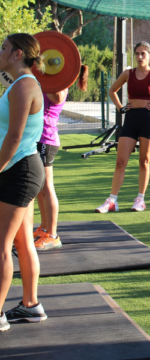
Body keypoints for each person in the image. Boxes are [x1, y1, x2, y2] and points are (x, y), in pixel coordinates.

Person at [95, 41, 150, 213]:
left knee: (144, 161)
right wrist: (120, 107)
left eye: (143, 53)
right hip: (131, 119)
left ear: (149, 56)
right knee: (120, 161)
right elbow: (112, 90)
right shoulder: (128, 74)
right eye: (137, 53)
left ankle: (140, 199)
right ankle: (112, 200)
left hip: (149, 120)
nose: (140, 57)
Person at [0, 33, 47, 332]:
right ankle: (31, 305)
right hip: (23, 169)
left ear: (17, 54)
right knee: (22, 241)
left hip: (18, 171)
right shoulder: (20, 83)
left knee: (1, 245)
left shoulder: (24, 86)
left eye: (3, 47)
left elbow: (14, 137)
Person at [33, 66, 89, 250]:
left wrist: (43, 77)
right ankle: (44, 227)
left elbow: (56, 97)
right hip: (38, 138)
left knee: (47, 188)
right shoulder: (48, 82)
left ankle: (53, 235)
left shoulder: (59, 86)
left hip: (46, 140)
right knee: (40, 188)